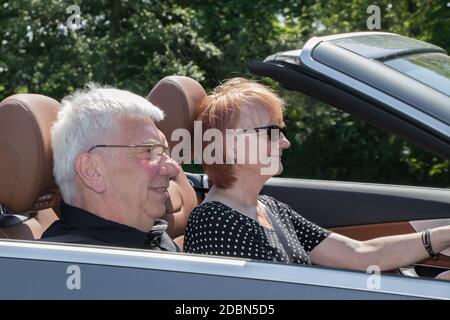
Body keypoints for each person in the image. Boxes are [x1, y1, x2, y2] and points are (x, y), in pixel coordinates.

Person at [184, 77, 450, 280]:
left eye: (282, 131)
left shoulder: (270, 208)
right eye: (271, 132)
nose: (285, 142)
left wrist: (442, 236)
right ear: (229, 145)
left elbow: (360, 255)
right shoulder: (214, 222)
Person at [42, 84, 180, 251]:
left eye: (164, 152)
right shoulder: (73, 266)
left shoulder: (150, 236)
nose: (173, 168)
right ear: (92, 170)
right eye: (149, 151)